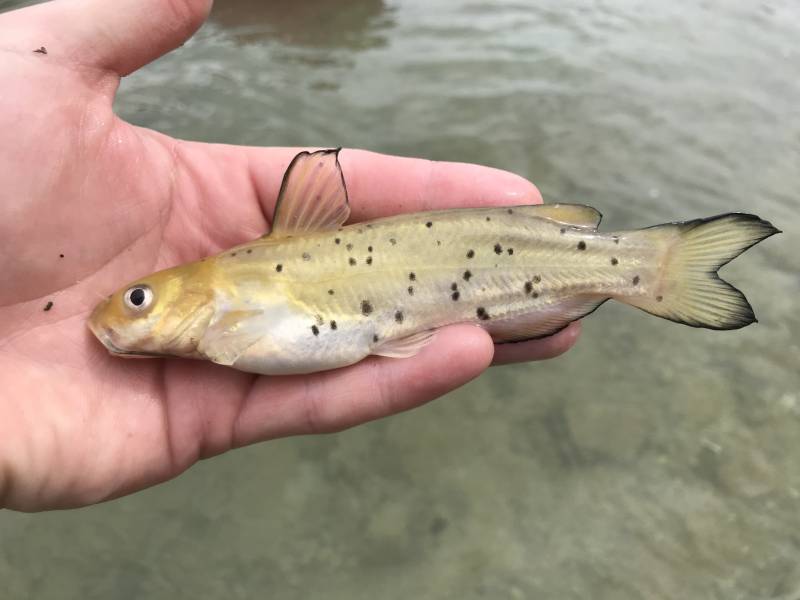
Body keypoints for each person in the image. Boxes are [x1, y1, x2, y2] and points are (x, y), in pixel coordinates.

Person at [0, 0, 579, 512]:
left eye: (138, 299)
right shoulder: (218, 317)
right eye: (137, 298)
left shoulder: (234, 287)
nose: (128, 310)